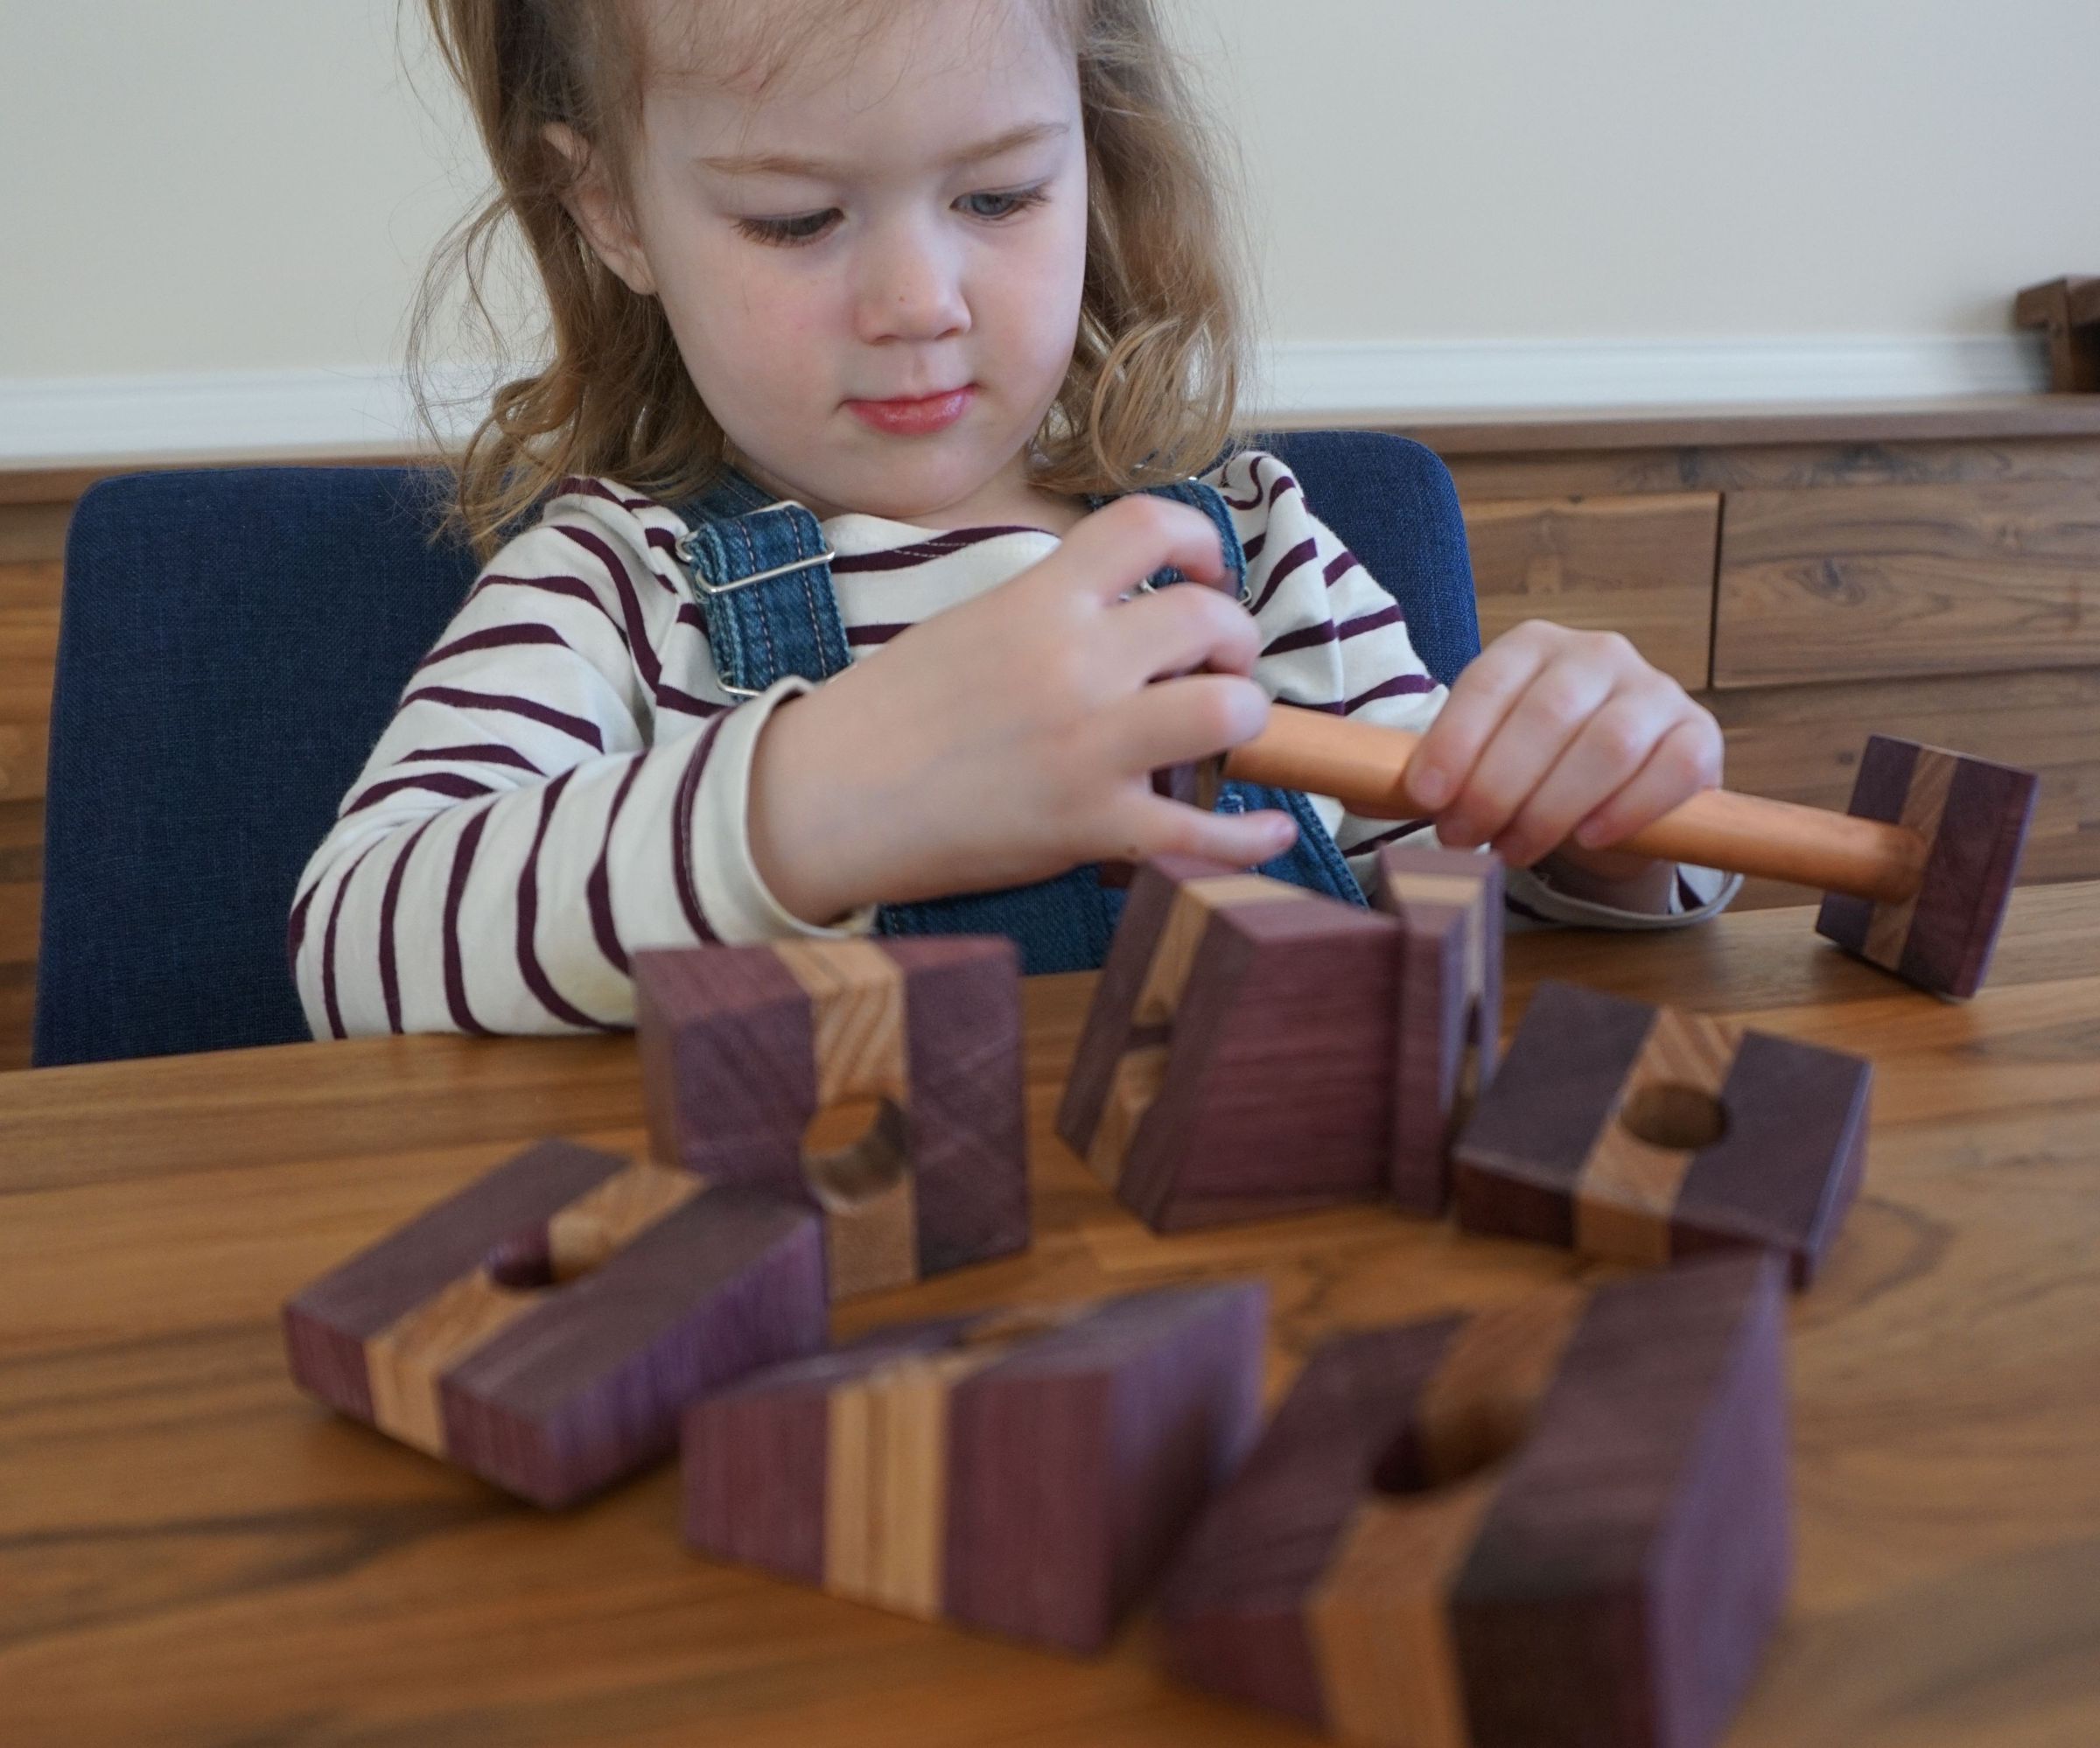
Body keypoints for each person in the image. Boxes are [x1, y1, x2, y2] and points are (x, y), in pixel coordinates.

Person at [292, 0, 1735, 1039]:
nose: (920, 301)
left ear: (1092, 156)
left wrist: (1596, 830)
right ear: (610, 211)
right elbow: (360, 943)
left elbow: (1459, 909)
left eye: (999, 192)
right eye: (794, 220)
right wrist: (815, 801)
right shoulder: (614, 581)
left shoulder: (1254, 544)